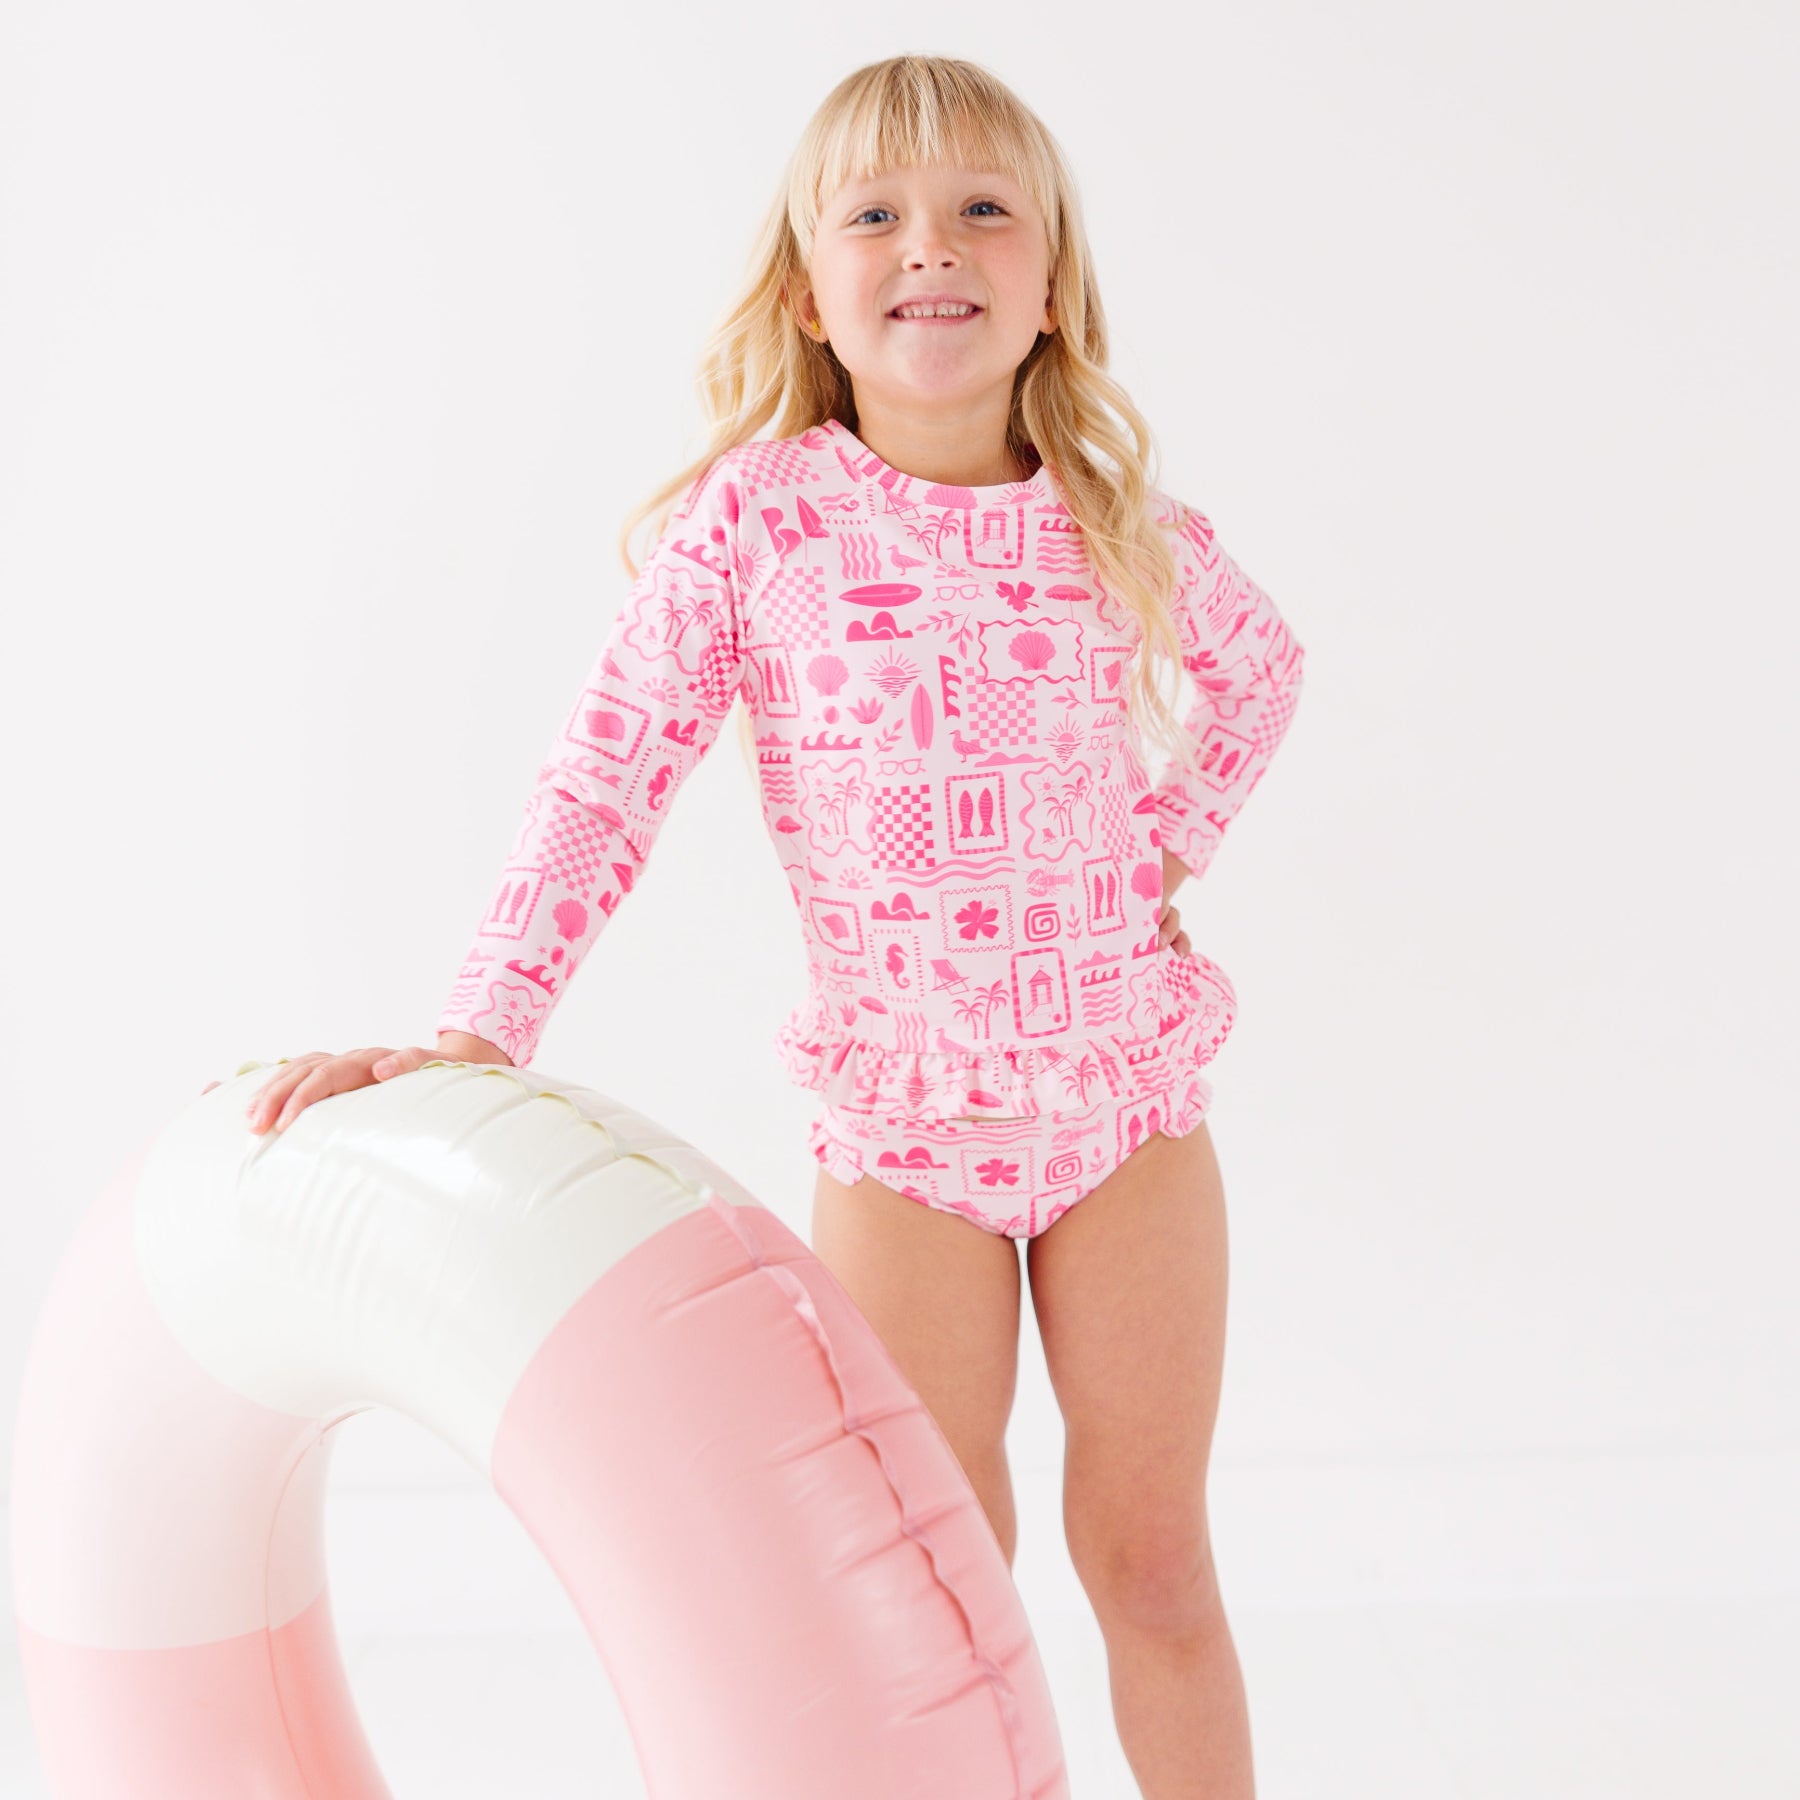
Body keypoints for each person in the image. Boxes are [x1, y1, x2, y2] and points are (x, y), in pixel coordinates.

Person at [245, 55, 1304, 1799]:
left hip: (1123, 1110)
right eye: (873, 214)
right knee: (951, 1582)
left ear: (1051, 290)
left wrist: (1162, 847)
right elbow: (605, 784)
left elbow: (1261, 678)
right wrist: (476, 1033)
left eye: (982, 210)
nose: (929, 247)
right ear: (812, 290)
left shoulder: (1112, 524)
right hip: (903, 1140)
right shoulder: (763, 526)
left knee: (1154, 1559)